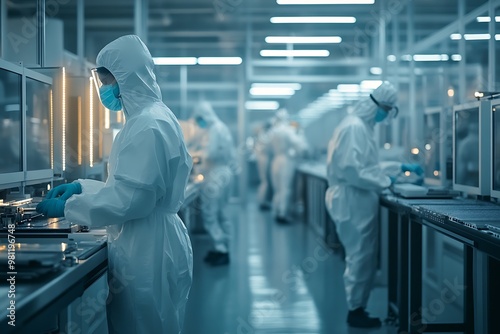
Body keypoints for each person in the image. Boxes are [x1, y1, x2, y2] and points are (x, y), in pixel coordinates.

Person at [36, 35, 193, 334]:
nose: (104, 91)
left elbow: (133, 201)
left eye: (108, 82)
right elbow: (132, 189)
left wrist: (69, 207)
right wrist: (82, 188)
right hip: (152, 239)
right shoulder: (151, 118)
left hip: (146, 249)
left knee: (141, 325)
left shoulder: (148, 125)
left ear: (126, 79)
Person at [324, 81, 422, 328]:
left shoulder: (361, 127)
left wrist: (398, 168)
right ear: (374, 104)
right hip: (352, 198)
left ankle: (358, 305)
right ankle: (355, 310)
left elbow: (367, 167)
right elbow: (352, 170)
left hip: (356, 196)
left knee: (362, 254)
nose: (387, 114)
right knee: (360, 255)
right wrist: (383, 180)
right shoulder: (355, 127)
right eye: (386, 109)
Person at [182, 101, 236, 266]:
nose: (198, 123)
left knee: (210, 213)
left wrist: (192, 154)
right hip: (225, 173)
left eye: (199, 119)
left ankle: (220, 249)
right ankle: (224, 246)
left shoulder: (214, 130)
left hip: (215, 176)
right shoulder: (222, 128)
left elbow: (210, 153)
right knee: (222, 212)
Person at [268, 109, 308, 223]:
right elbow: (301, 146)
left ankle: (276, 210)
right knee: (285, 188)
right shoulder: (288, 130)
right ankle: (283, 213)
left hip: (275, 160)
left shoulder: (273, 132)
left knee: (277, 188)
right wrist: (300, 133)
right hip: (286, 160)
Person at [254, 119, 274, 210]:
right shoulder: (265, 136)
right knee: (265, 181)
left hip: (261, 158)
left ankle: (262, 200)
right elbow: (269, 148)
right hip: (264, 158)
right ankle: (262, 201)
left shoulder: (261, 135)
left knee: (263, 181)